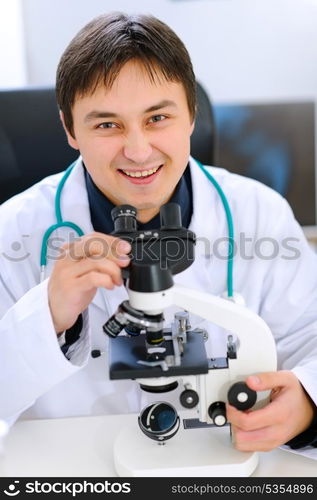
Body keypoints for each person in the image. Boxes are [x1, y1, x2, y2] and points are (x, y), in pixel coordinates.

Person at [0, 12, 316, 455]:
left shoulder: (259, 214)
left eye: (157, 118)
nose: (137, 150)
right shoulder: (12, 229)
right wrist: (46, 316)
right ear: (70, 129)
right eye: (107, 124)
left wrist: (307, 399)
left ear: (191, 116)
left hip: (223, 459)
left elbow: (312, 335)